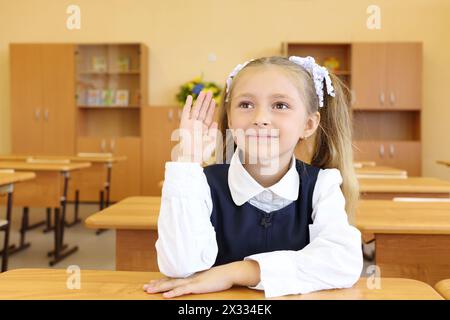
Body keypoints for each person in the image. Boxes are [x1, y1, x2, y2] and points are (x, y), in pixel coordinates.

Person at [144, 56, 363, 298]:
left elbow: (343, 262)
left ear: (308, 124)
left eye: (280, 105)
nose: (260, 118)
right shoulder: (202, 183)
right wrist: (186, 161)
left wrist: (235, 272)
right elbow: (180, 267)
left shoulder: (322, 185)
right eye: (246, 104)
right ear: (229, 117)